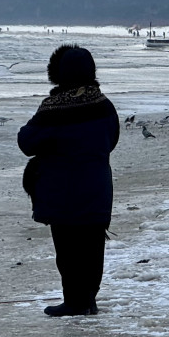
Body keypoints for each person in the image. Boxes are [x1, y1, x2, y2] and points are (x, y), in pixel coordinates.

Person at [18, 45, 120, 317]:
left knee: (67, 250)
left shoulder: (54, 109)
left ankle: (74, 301)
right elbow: (112, 140)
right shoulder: (104, 104)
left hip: (61, 192)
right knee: (92, 248)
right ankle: (88, 299)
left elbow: (26, 142)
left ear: (58, 73)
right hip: (97, 188)